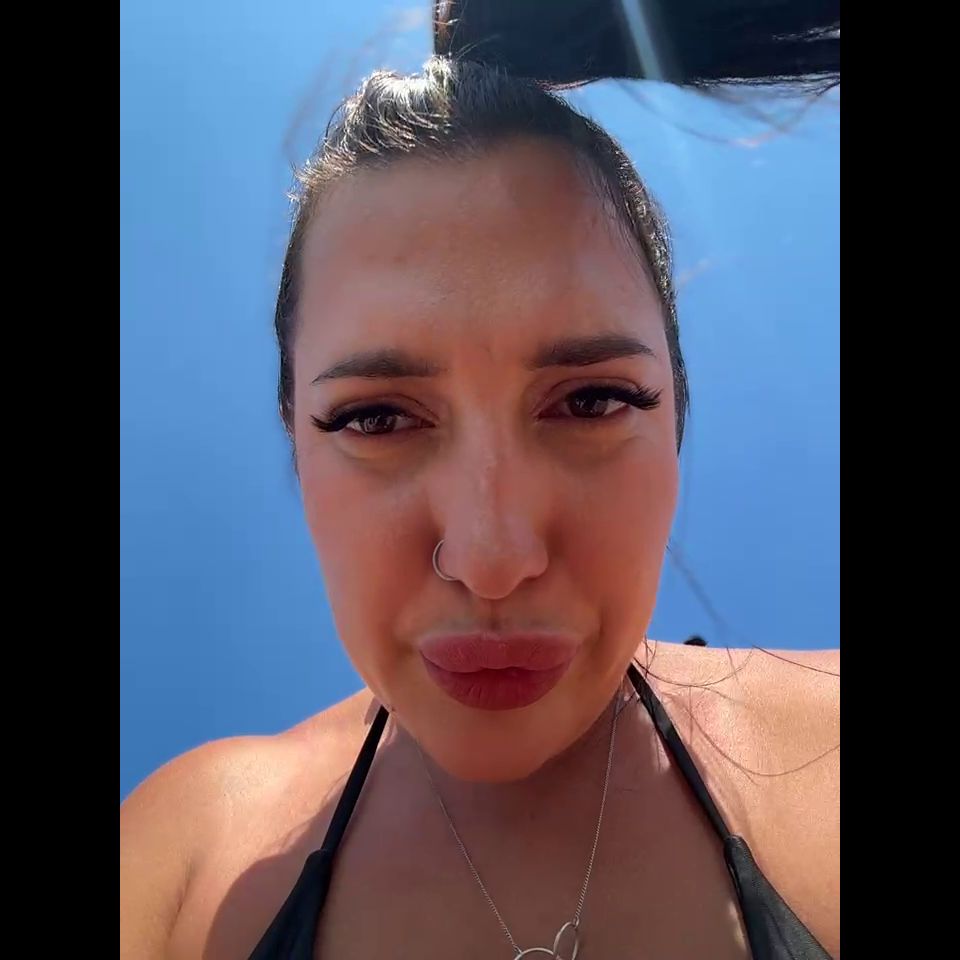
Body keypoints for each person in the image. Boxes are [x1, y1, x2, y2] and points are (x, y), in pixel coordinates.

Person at [120, 54, 839, 960]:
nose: (492, 557)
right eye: (376, 418)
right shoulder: (189, 856)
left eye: (592, 401)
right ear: (297, 449)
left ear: (678, 421)